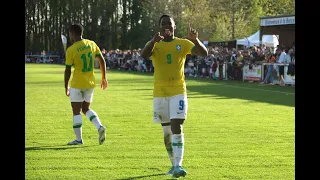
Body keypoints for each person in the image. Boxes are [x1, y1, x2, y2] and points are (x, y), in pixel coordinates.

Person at [140, 14, 208, 178]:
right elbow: (143, 54)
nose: (166, 27)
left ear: (174, 26)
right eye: (163, 24)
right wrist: (153, 41)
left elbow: (204, 53)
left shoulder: (182, 43)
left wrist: (195, 40)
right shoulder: (155, 45)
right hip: (160, 93)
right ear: (159, 27)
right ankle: (173, 164)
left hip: (178, 90)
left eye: (169, 24)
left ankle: (178, 165)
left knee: (177, 126)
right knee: (166, 132)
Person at [64, 24, 108, 145]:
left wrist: (66, 86)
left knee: (76, 111)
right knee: (86, 108)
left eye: (70, 34)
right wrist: (104, 77)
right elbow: (101, 60)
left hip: (77, 84)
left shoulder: (71, 49)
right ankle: (99, 127)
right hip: (90, 83)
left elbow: (67, 70)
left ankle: (78, 140)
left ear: (72, 33)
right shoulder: (92, 44)